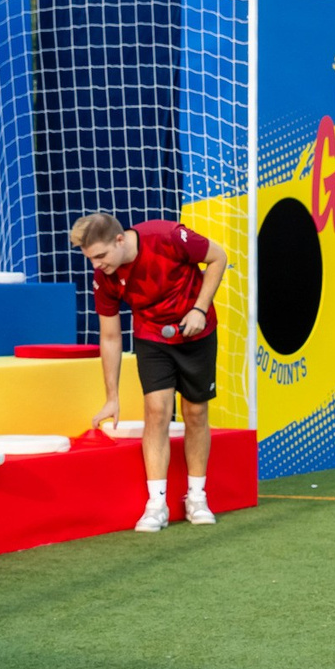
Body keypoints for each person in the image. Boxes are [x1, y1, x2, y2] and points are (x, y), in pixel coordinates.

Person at [73, 212, 233, 532]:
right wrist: (112, 396)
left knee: (196, 412)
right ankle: (156, 504)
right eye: (91, 259)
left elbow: (219, 257)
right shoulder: (104, 277)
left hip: (197, 332)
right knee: (157, 411)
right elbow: (109, 336)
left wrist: (200, 308)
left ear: (120, 240)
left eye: (101, 256)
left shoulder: (167, 237)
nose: (97, 265)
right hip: (151, 337)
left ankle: (197, 497)